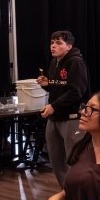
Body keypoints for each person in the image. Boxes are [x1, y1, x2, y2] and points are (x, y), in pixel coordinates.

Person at [37, 30, 90, 187]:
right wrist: (48, 84)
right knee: (56, 159)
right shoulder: (55, 62)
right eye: (52, 43)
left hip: (72, 117)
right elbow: (59, 88)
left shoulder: (75, 62)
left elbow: (76, 91)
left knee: (75, 159)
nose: (53, 46)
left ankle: (83, 192)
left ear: (69, 46)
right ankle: (67, 191)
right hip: (54, 117)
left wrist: (53, 106)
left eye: (58, 43)